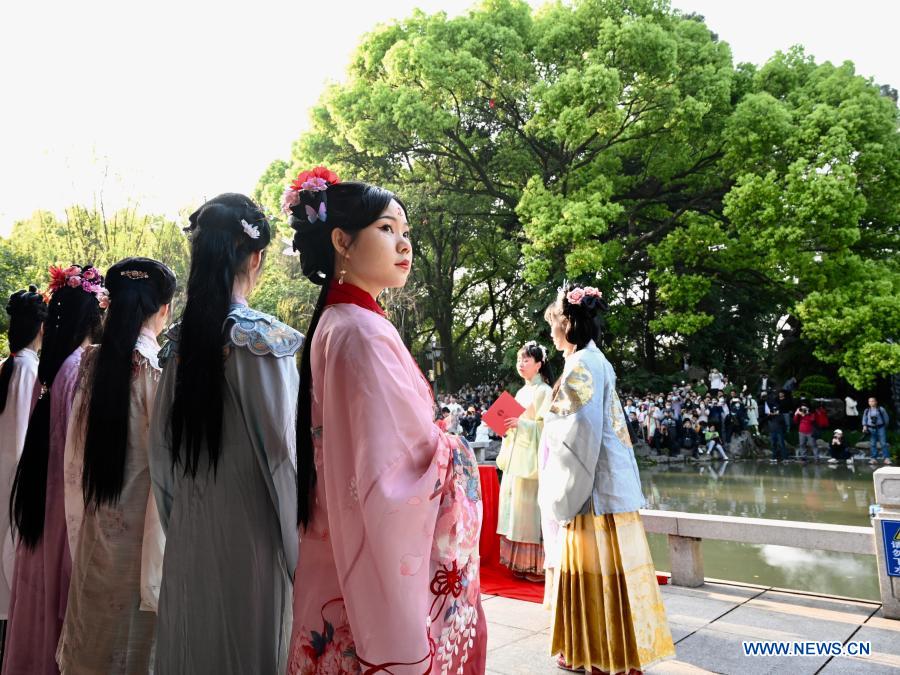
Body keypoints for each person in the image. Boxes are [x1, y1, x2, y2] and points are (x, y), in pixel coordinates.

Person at [284, 168, 486, 673]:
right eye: (387, 229)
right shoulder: (361, 333)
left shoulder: (340, 322)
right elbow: (396, 472)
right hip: (367, 546)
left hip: (338, 541)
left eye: (406, 233)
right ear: (341, 241)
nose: (404, 244)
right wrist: (454, 453)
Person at [149, 194, 302, 673]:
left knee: (192, 648)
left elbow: (160, 454)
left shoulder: (179, 344)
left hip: (191, 535)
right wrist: (300, 557)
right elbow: (283, 458)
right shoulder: (261, 342)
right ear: (254, 257)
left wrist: (183, 526)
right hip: (251, 540)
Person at [538, 283, 674, 673]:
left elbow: (578, 425)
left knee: (593, 572)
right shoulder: (598, 361)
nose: (551, 334)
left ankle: (596, 653)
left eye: (553, 326)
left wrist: (550, 419)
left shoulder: (581, 365)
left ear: (567, 324)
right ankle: (620, 653)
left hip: (591, 488)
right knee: (616, 574)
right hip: (609, 482)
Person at [57, 258, 175, 673]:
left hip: (95, 534)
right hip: (141, 545)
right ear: (164, 309)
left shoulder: (91, 364)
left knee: (94, 641)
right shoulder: (156, 370)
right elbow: (167, 471)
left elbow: (75, 460)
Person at [5, 265, 104, 675]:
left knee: (38, 599)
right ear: (93, 318)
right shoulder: (82, 367)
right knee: (58, 602)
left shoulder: (53, 367)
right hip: (66, 504)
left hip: (43, 499)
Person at [0, 287, 47, 626]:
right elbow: (21, 430)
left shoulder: (10, 363)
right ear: (41, 328)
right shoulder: (28, 367)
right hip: (13, 466)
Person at [496, 341, 553, 581]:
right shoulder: (520, 392)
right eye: (520, 359)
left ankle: (537, 566)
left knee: (531, 510)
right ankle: (519, 563)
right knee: (516, 509)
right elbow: (512, 422)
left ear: (539, 364)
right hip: (516, 455)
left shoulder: (545, 392)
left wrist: (523, 424)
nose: (521, 364)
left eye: (527, 360)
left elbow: (548, 427)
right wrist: (504, 427)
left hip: (532, 459)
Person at [862, 397, 892, 465]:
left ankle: (886, 458)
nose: (871, 403)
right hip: (871, 428)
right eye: (869, 401)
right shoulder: (867, 410)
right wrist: (864, 426)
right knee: (872, 444)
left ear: (876, 402)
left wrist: (884, 426)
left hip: (881, 427)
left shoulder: (881, 409)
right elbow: (864, 419)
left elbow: (886, 418)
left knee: (883, 443)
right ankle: (873, 459)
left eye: (872, 401)